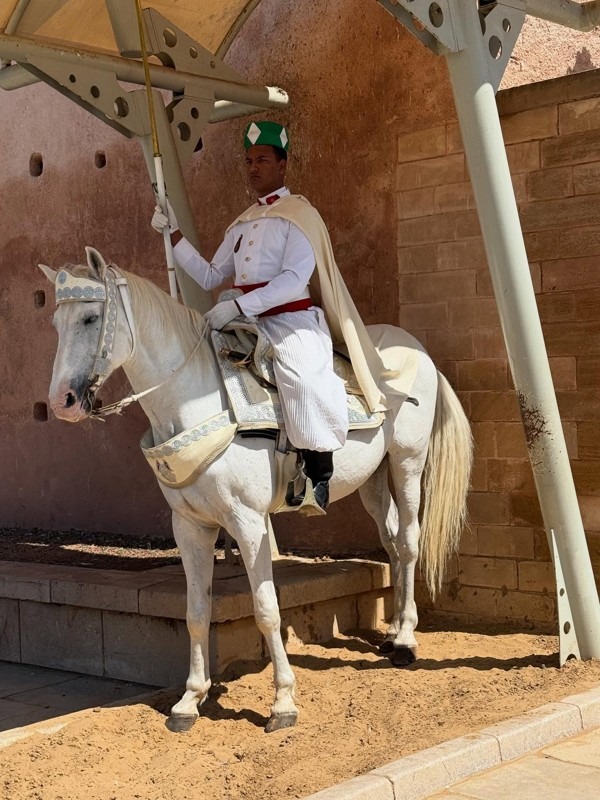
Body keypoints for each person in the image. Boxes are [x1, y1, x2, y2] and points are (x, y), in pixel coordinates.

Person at [151, 121, 349, 512]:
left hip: (291, 321)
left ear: (282, 165)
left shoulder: (302, 216)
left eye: (261, 159)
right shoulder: (242, 223)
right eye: (248, 160)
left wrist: (240, 305)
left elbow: (295, 280)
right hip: (242, 319)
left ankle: (316, 476)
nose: (253, 167)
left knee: (304, 379)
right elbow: (211, 274)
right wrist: (173, 234)